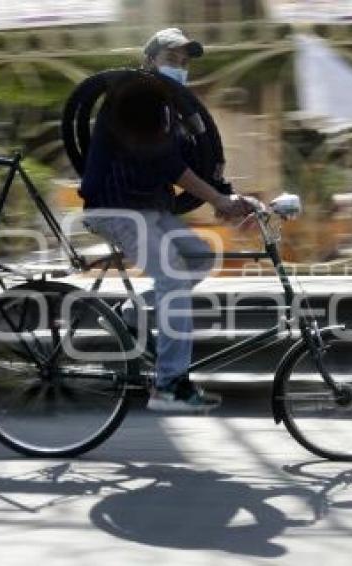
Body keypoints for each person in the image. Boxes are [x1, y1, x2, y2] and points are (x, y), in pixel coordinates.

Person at [80, 28, 251, 411]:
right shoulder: (134, 97)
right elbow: (168, 165)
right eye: (172, 59)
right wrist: (219, 201)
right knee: (173, 279)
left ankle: (131, 315)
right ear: (149, 61)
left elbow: (195, 164)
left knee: (201, 257)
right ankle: (170, 385)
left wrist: (233, 197)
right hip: (116, 207)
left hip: (150, 209)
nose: (180, 68)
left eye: (185, 62)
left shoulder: (168, 109)